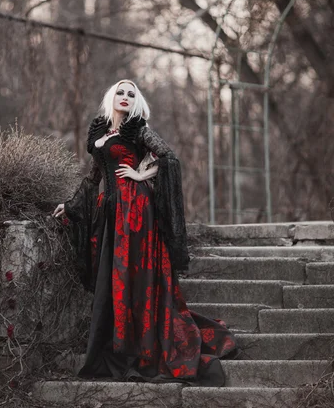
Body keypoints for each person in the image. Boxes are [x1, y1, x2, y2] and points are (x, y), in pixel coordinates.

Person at [53, 79, 237, 385]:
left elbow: (169, 158)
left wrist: (141, 173)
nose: (125, 97)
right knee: (116, 278)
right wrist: (70, 206)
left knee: (133, 276)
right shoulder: (100, 131)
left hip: (136, 209)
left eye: (131, 94)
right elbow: (94, 176)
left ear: (136, 101)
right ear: (111, 97)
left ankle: (141, 347)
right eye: (121, 92)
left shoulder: (137, 128)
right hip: (112, 213)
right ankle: (120, 344)